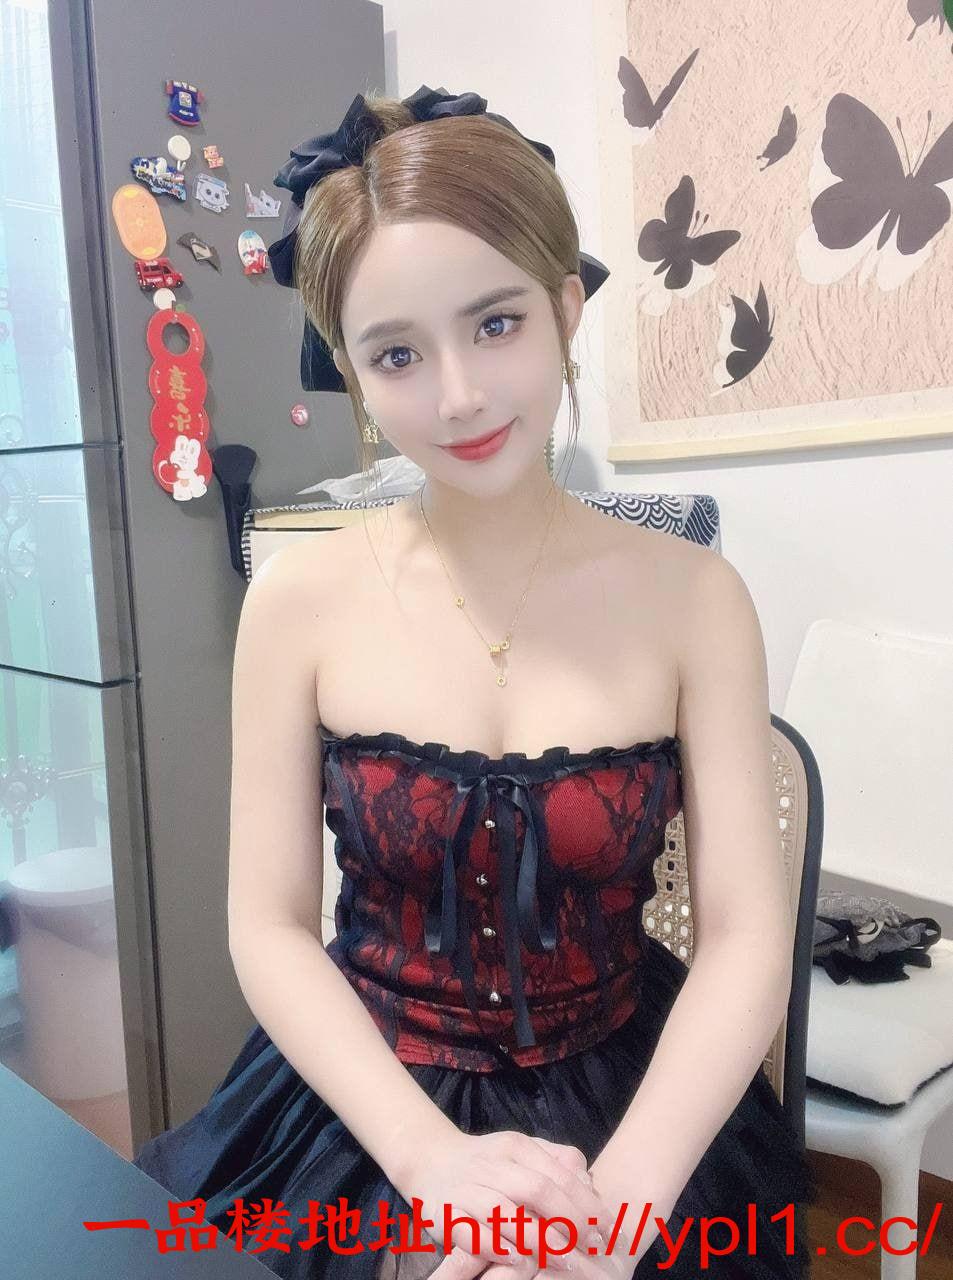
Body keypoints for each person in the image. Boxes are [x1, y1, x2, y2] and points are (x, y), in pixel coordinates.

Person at [133, 85, 817, 1279]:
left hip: (634, 1107)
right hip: (368, 1107)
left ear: (563, 307)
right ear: (353, 371)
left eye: (495, 324)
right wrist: (428, 1162)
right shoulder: (295, 601)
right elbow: (268, 924)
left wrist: (611, 1216)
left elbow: (746, 935)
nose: (455, 395)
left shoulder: (695, 597)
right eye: (396, 353)